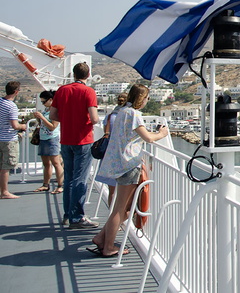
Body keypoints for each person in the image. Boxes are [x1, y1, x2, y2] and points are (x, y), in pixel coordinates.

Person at [91, 84, 168, 257]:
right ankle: (108, 247)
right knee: (121, 209)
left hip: (120, 163)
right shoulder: (134, 114)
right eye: (147, 98)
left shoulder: (122, 112)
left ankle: (101, 237)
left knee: (123, 208)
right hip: (128, 165)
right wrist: (162, 134)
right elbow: (147, 138)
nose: (147, 101)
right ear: (142, 98)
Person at [50, 62, 100, 228]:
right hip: (83, 140)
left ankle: (68, 214)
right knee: (80, 179)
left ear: (73, 74)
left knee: (69, 178)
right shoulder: (88, 91)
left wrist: (68, 118)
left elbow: (53, 115)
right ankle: (77, 217)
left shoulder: (62, 90)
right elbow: (94, 118)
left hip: (66, 140)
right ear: (88, 75)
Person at [95, 93, 128, 205]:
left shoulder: (109, 117)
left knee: (112, 191)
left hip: (109, 155)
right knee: (124, 191)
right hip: (123, 155)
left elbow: (106, 132)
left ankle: (111, 211)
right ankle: (122, 213)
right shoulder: (126, 116)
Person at [33, 90, 64, 194]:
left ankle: (60, 185)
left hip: (52, 139)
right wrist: (39, 119)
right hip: (43, 138)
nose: (43, 104)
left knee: (56, 163)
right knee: (46, 163)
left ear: (51, 100)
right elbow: (44, 124)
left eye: (44, 101)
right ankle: (45, 184)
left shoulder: (56, 111)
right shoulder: (46, 110)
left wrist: (42, 117)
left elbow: (53, 127)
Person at [1, 81, 27, 199]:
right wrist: (23, 126)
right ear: (16, 92)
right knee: (6, 167)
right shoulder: (11, 106)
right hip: (8, 140)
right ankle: (4, 192)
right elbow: (15, 125)